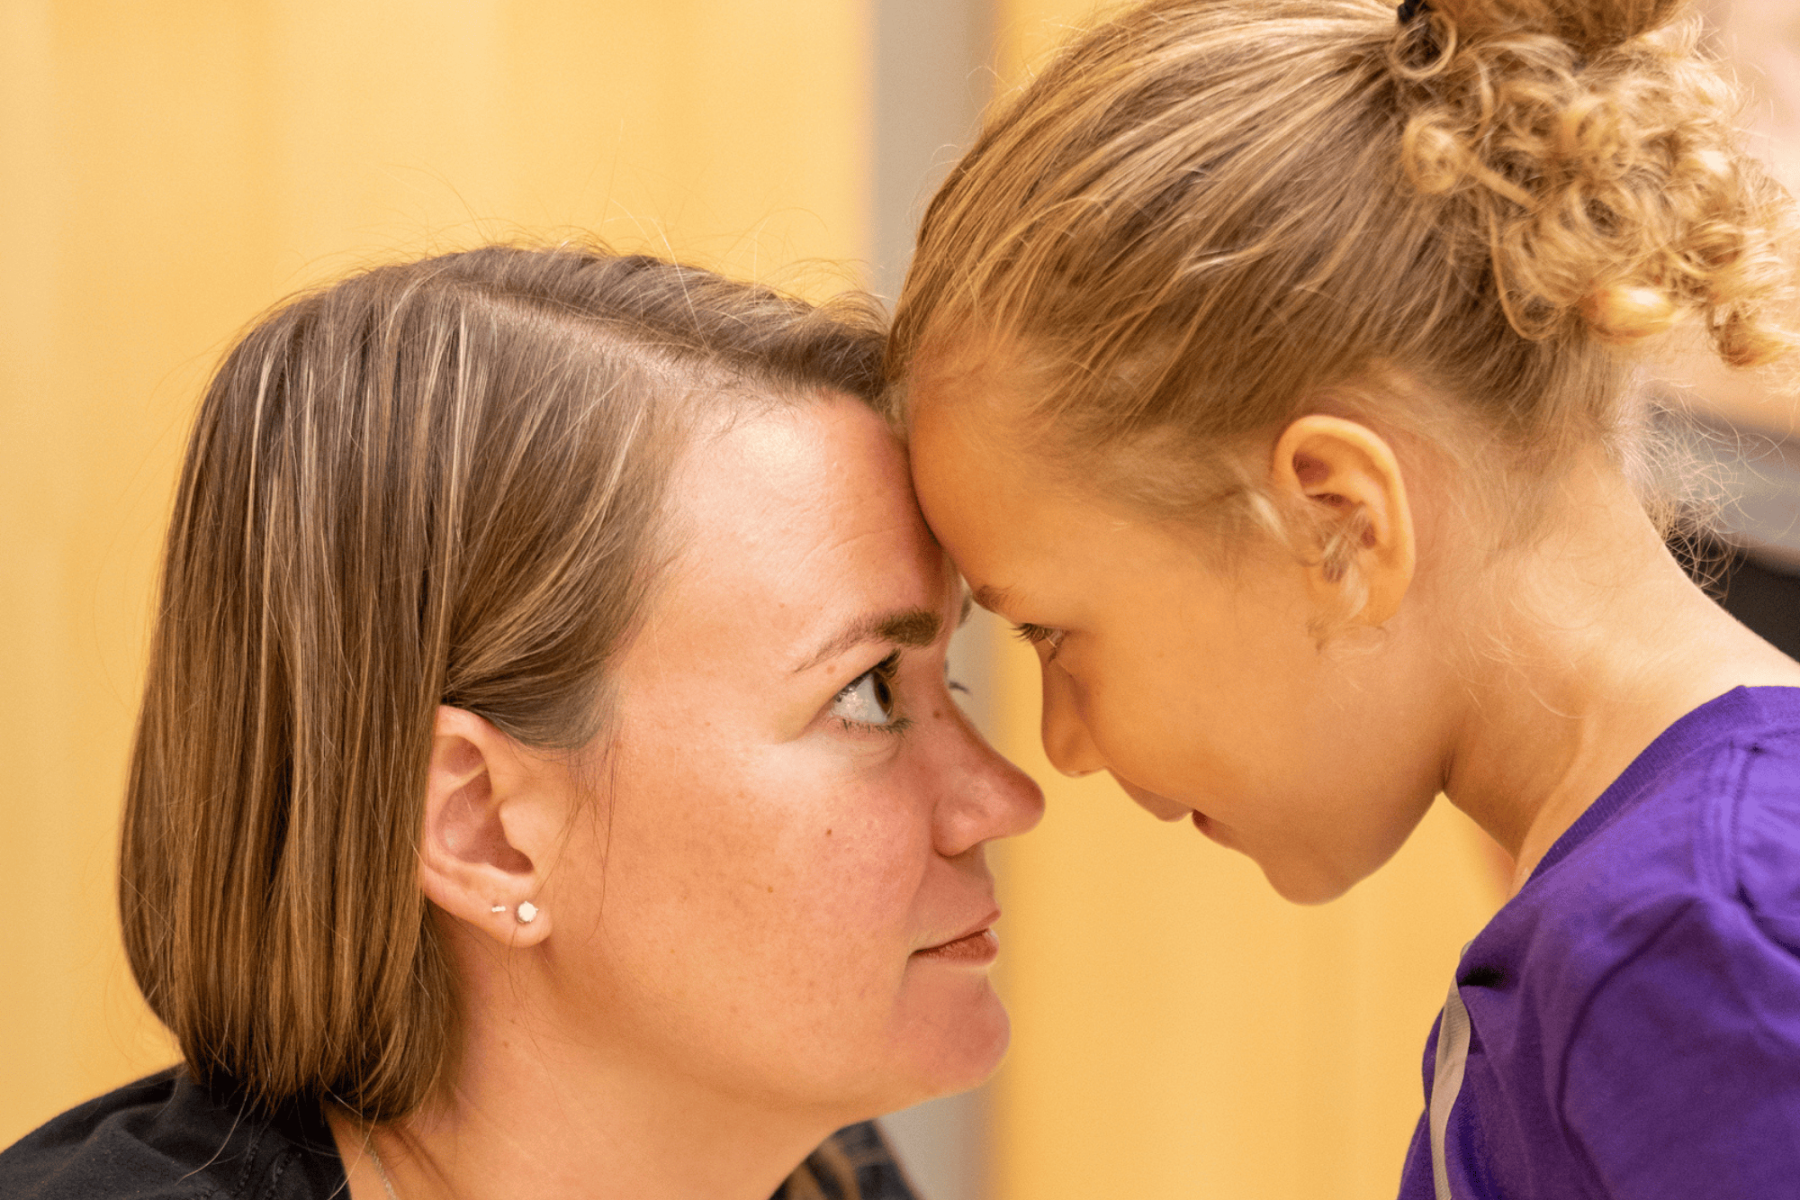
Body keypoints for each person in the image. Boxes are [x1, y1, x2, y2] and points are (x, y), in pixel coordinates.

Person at [888, 0, 1800, 1195]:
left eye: (1055, 633)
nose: (1065, 747)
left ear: (1336, 520)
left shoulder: (1703, 929)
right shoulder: (1648, 908)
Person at [0, 245, 1043, 1200]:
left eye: (945, 681)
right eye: (865, 695)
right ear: (484, 827)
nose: (1005, 798)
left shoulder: (823, 1174)